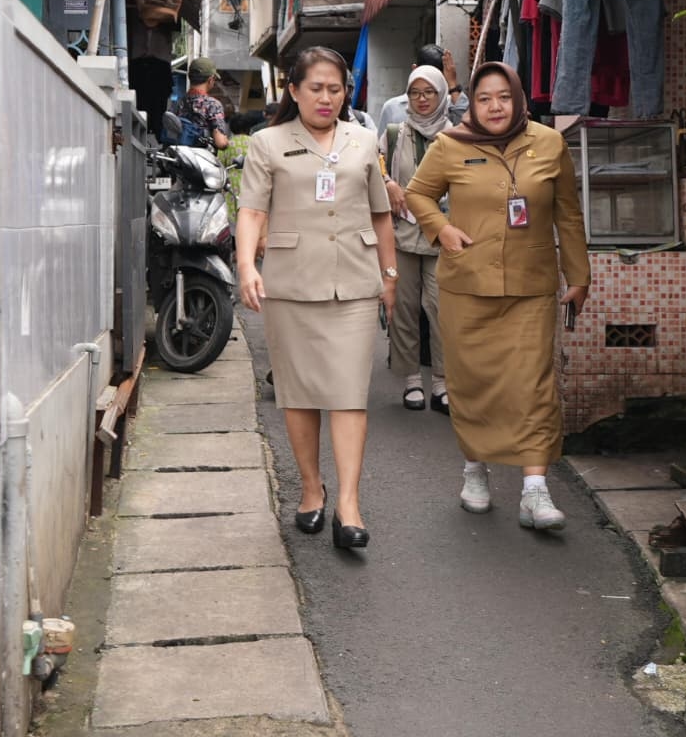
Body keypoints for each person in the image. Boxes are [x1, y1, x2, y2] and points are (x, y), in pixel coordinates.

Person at [405, 61, 590, 531]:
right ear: (471, 102)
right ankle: (475, 471)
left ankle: (534, 489)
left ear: (519, 98)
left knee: (534, 383)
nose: (494, 106)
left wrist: (579, 274)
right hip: (467, 286)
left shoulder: (548, 143)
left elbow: (568, 213)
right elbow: (417, 194)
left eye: (503, 97)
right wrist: (442, 230)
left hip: (531, 286)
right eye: (484, 98)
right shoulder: (450, 146)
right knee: (473, 384)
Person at [236, 46, 398, 550]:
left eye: (336, 89)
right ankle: (311, 489)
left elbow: (380, 213)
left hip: (353, 281)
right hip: (291, 283)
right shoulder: (267, 143)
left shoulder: (365, 139)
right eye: (316, 88)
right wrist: (245, 266)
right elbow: (252, 212)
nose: (327, 98)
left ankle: (348, 503)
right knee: (300, 393)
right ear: (293, 90)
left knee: (350, 393)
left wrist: (389, 275)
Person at [379, 65, 452, 415]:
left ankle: (441, 382)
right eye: (415, 93)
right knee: (404, 309)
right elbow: (374, 167)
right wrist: (388, 183)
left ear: (441, 95)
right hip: (402, 235)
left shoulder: (456, 134)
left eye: (429, 93)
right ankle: (411, 380)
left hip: (443, 236)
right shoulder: (395, 134)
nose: (422, 100)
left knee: (440, 309)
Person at [375, 44, 462, 135]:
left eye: (429, 91)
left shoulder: (451, 107)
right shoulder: (392, 108)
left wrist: (453, 84)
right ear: (415, 70)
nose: (422, 99)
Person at [172, 56, 230, 150]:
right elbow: (221, 143)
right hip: (201, 159)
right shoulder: (213, 105)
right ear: (210, 80)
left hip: (179, 155)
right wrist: (226, 141)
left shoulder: (180, 102)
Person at [218, 111, 255, 221]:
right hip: (252, 182)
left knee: (231, 215)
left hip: (231, 184)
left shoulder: (227, 144)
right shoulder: (255, 142)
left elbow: (219, 165)